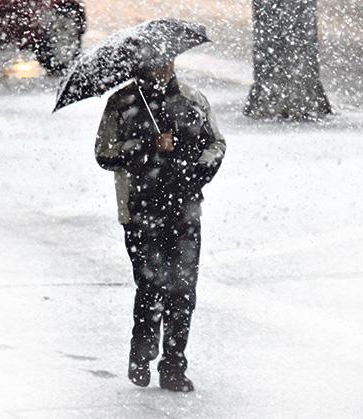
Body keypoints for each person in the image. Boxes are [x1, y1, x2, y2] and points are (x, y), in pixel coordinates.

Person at [95, 57, 226, 392]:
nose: (162, 68)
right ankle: (142, 351)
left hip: (184, 209)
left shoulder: (192, 100)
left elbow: (216, 143)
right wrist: (144, 146)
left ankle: (173, 365)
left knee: (183, 291)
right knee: (151, 286)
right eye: (154, 63)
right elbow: (104, 152)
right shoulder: (122, 104)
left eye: (166, 61)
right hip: (140, 211)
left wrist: (198, 171)